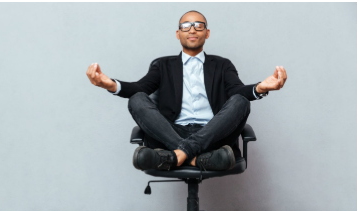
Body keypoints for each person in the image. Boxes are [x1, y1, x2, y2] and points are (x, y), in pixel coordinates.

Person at [86, 10, 287, 173]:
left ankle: (174, 157)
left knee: (241, 101)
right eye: (186, 26)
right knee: (137, 99)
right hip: (172, 132)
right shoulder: (162, 65)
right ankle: (197, 159)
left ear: (207, 33)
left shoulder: (222, 65)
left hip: (212, 133)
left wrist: (260, 88)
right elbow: (140, 88)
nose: (192, 29)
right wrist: (110, 84)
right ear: (178, 33)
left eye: (199, 25)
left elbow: (237, 90)